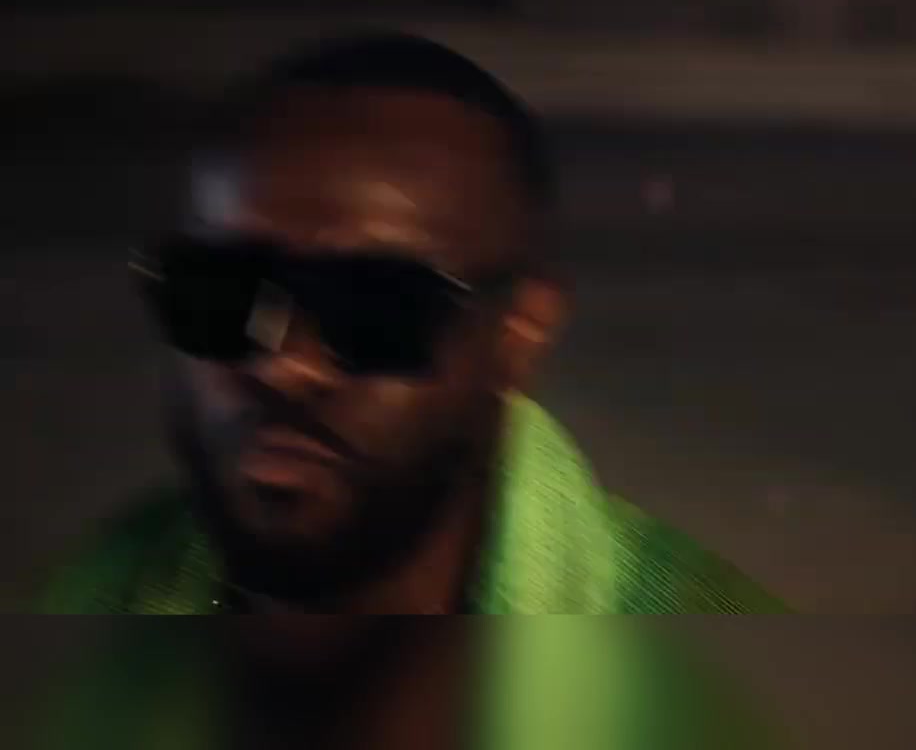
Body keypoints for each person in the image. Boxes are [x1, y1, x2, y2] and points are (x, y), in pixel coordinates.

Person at [38, 32, 786, 617]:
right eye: (221, 294)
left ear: (519, 336)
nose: (283, 365)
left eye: (376, 306)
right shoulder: (98, 595)